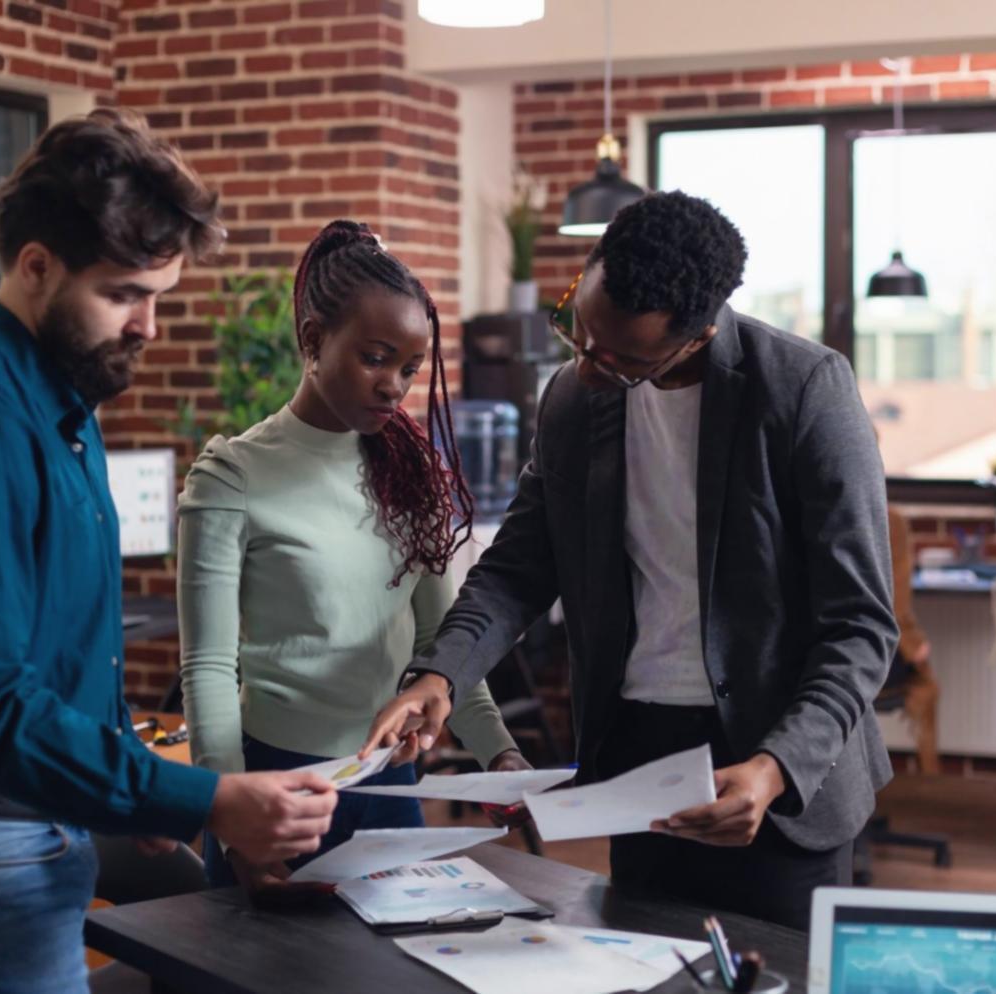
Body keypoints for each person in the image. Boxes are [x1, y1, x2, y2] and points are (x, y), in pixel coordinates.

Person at [0, 109, 336, 994]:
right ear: (36, 267)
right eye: (125, 294)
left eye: (157, 297)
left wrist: (130, 795)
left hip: (25, 820)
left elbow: (61, 655)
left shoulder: (59, 402)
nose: (148, 326)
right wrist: (200, 798)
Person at [364, 191, 897, 931]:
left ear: (697, 336)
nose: (586, 366)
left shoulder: (805, 389)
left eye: (619, 362)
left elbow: (860, 625)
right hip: (636, 757)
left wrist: (775, 768)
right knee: (646, 962)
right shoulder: (572, 399)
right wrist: (440, 674)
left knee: (778, 975)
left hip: (776, 759)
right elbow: (518, 568)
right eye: (577, 330)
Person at [177, 220, 528, 891]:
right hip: (275, 790)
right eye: (375, 358)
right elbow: (209, 669)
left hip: (390, 787)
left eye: (410, 369)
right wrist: (231, 817)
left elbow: (439, 645)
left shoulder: (410, 475)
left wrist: (500, 754)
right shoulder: (232, 476)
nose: (394, 386)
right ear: (314, 341)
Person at [884, 506, 939, 773]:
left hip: (799, 664)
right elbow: (897, 606)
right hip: (867, 665)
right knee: (919, 668)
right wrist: (913, 643)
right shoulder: (888, 520)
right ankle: (930, 778)